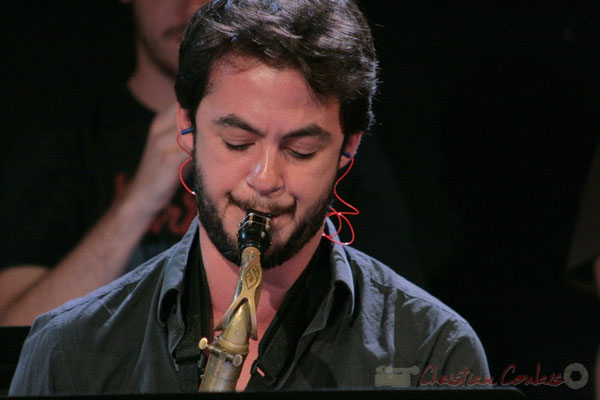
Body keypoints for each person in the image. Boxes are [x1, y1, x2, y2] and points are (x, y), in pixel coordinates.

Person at [9, 0, 487, 394]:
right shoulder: (67, 351)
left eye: (301, 150)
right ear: (186, 127)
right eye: (238, 144)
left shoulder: (432, 350)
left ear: (349, 148)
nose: (264, 178)